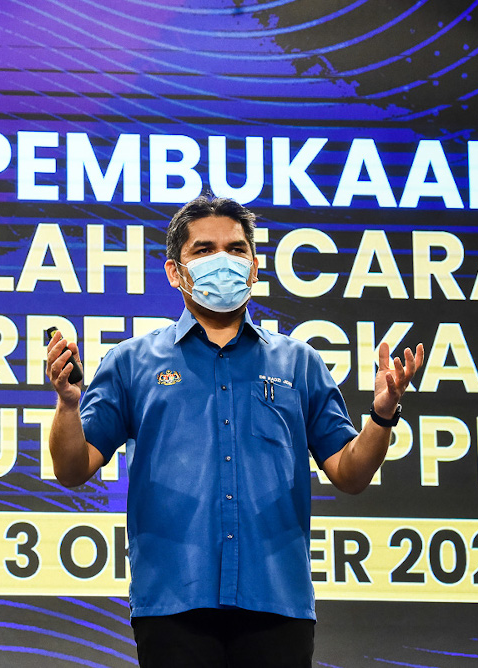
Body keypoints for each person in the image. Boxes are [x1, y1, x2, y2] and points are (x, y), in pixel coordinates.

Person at [46, 192, 424, 667]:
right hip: (173, 603)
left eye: (236, 248)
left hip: (277, 601)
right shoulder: (131, 363)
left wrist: (383, 414)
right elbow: (72, 468)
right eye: (203, 250)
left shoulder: (299, 362)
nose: (222, 261)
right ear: (174, 271)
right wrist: (67, 403)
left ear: (254, 265)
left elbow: (350, 473)